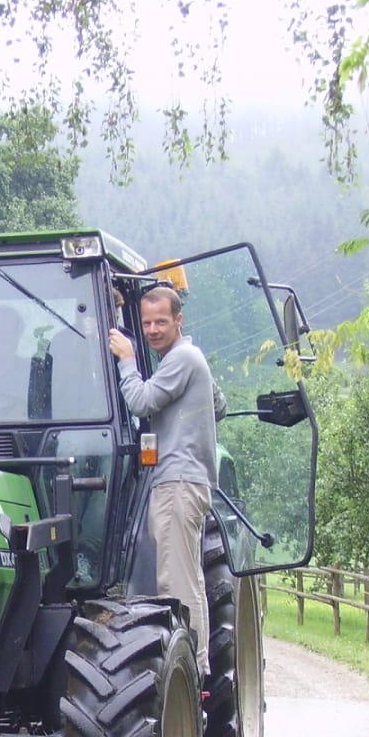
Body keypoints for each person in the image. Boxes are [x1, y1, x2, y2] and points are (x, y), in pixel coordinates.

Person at [109, 286, 220, 675]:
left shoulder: (182, 359)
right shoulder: (189, 359)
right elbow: (218, 404)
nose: (153, 330)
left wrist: (127, 360)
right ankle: (198, 666)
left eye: (161, 321)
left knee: (175, 586)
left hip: (177, 481)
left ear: (178, 320)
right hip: (188, 479)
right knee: (189, 580)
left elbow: (140, 402)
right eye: (146, 323)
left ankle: (188, 673)